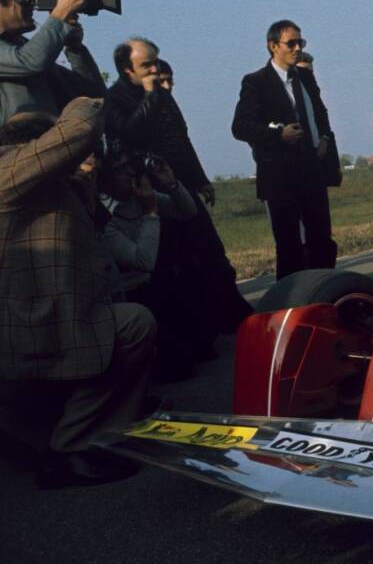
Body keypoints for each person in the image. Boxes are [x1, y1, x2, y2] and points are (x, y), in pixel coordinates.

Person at [0, 99, 156, 488]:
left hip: (56, 314)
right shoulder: (8, 163)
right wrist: (86, 102)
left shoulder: (42, 184)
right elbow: (80, 129)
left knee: (126, 325)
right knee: (133, 327)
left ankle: (95, 433)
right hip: (36, 322)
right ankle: (73, 447)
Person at [105, 46, 252, 332]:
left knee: (210, 251)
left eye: (155, 63)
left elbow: (181, 139)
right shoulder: (116, 99)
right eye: (146, 65)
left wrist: (200, 179)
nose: (153, 70)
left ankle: (233, 318)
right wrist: (149, 97)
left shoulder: (161, 95)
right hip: (152, 190)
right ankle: (200, 328)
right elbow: (130, 134)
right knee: (177, 261)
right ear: (127, 69)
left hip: (180, 184)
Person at [232, 20, 342, 280]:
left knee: (321, 240)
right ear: (273, 46)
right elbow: (240, 127)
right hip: (280, 175)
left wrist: (324, 137)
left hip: (311, 170)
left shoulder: (305, 76)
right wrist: (277, 134)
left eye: (300, 43)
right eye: (291, 43)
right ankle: (292, 303)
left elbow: (320, 111)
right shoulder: (256, 82)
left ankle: (324, 293)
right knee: (290, 246)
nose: (297, 48)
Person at [100, 152, 211, 381]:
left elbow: (188, 211)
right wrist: (150, 213)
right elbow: (143, 260)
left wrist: (171, 183)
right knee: (177, 366)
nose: (129, 173)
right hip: (132, 295)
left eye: (128, 166)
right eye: (120, 169)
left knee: (204, 345)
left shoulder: (137, 198)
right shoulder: (103, 215)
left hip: (156, 285)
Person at [0, 0, 105, 123]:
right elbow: (29, 61)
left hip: (47, 142)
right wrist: (61, 13)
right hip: (12, 144)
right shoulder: (31, 57)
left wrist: (75, 48)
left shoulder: (34, 51)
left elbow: (92, 95)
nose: (32, 6)